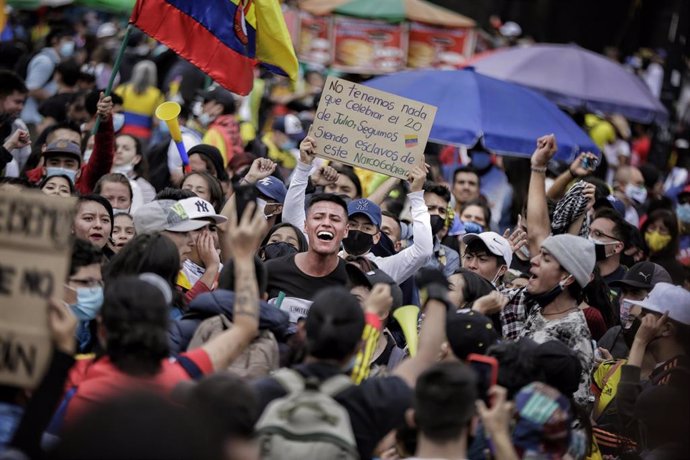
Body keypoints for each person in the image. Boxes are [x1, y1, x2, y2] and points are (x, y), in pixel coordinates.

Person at [60, 203, 267, 426]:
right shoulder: (179, 376)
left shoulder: (74, 377)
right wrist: (244, 258)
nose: (190, 241)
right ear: (166, 328)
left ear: (101, 329)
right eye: (182, 233)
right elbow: (245, 328)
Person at [253, 279, 449, 460]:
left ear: (302, 330)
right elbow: (425, 357)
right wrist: (437, 295)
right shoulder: (369, 400)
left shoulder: (263, 391)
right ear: (361, 345)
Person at [616, 283, 690, 444]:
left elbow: (629, 416)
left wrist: (640, 342)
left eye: (646, 317)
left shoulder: (675, 377)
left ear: (666, 329)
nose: (638, 319)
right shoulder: (666, 368)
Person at [265, 193, 350, 326]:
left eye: (335, 219)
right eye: (318, 217)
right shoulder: (271, 270)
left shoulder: (353, 281)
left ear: (346, 230)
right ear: (305, 226)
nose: (326, 223)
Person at [25, 93, 114, 194]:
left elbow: (103, 156)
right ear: (44, 168)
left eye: (69, 164)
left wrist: (104, 122)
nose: (61, 168)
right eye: (54, 163)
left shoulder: (87, 181)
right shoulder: (27, 184)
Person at [599, 262, 672, 358]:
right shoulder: (613, 336)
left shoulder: (670, 346)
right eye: (624, 292)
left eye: (635, 292)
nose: (625, 300)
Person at [20, 27, 76, 127]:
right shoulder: (45, 61)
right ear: (55, 40)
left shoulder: (55, 60)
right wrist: (56, 101)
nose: (70, 44)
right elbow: (31, 89)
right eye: (67, 39)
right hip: (32, 119)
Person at [114, 60, 164, 141]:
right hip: (143, 136)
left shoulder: (123, 90)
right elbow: (156, 122)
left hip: (121, 132)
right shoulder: (157, 95)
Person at [198, 84, 243, 166]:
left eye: (205, 101)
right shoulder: (234, 127)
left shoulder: (213, 134)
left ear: (218, 108)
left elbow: (207, 168)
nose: (201, 105)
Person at [423, 182, 460, 277]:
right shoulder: (398, 237)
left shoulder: (450, 256)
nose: (436, 214)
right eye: (430, 208)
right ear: (413, 210)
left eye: (442, 211)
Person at [641, 209, 685, 284]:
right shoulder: (638, 256)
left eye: (662, 230)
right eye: (652, 227)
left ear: (671, 236)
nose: (656, 234)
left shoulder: (673, 269)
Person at [112, 133, 156, 203]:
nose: (119, 151)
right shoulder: (99, 178)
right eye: (115, 148)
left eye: (126, 149)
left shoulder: (144, 188)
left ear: (137, 159)